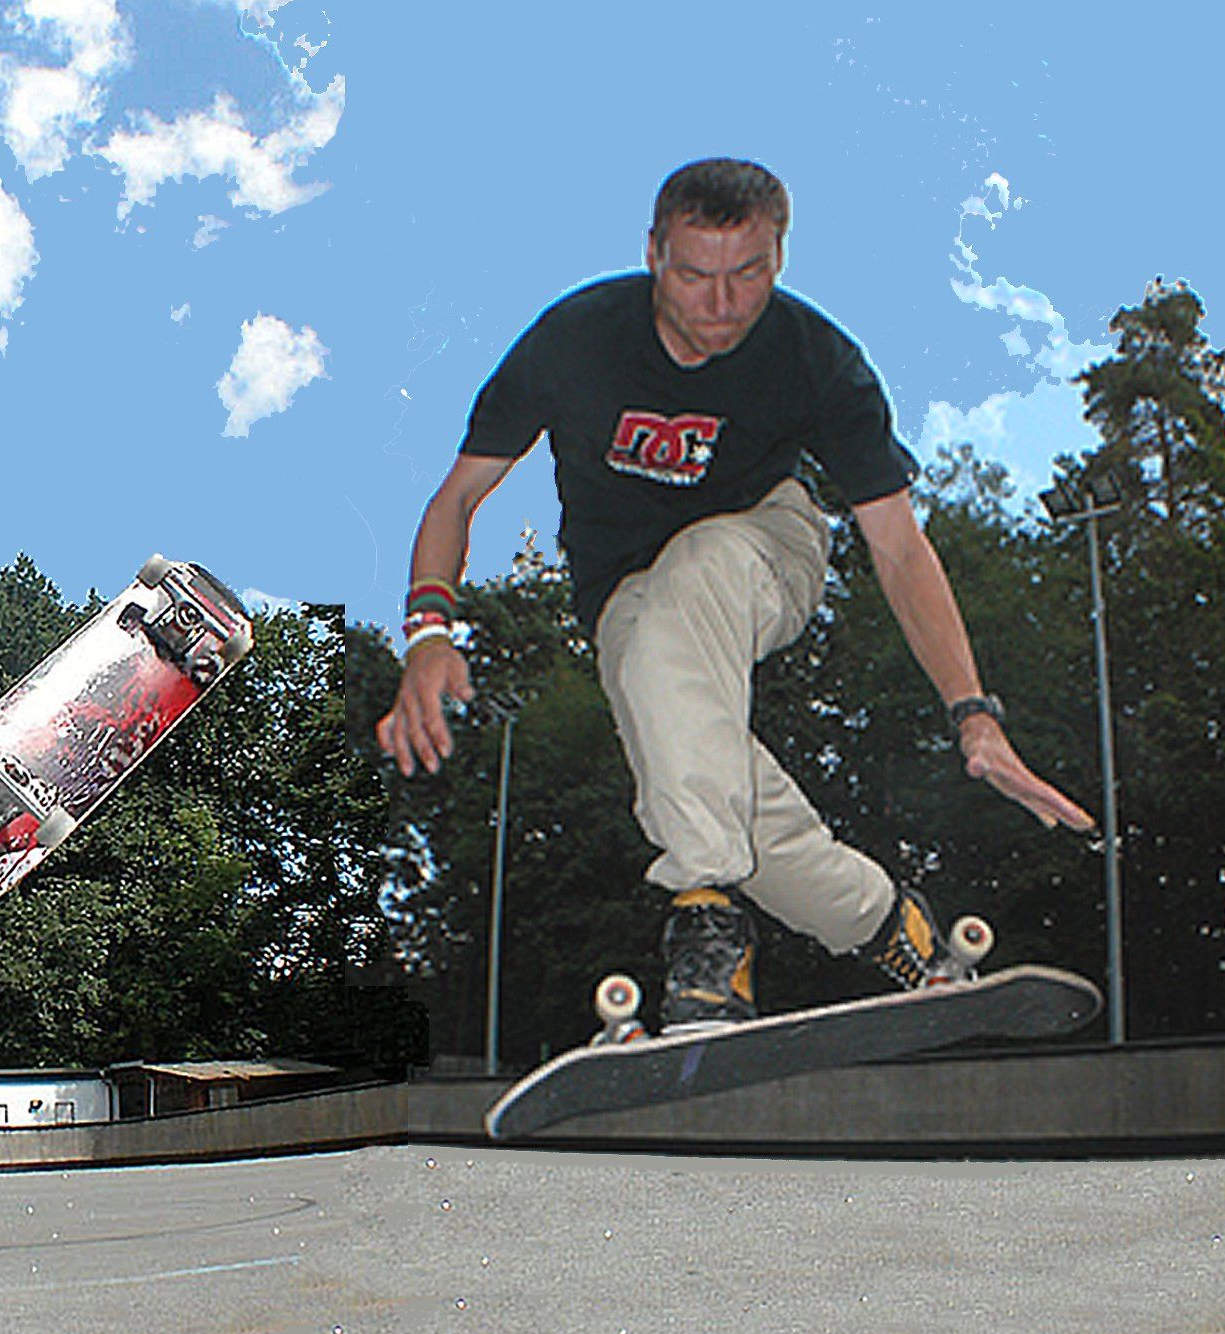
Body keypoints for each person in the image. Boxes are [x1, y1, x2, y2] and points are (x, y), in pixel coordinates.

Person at [376, 157, 1092, 1039]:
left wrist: (974, 714)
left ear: (779, 257)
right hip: (620, 603)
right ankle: (893, 928)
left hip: (768, 546)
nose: (720, 304)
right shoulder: (574, 340)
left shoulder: (819, 362)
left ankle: (706, 925)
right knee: (706, 766)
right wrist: (427, 632)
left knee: (702, 566)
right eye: (693, 274)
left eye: (746, 273)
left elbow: (900, 549)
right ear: (652, 255)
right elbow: (457, 497)